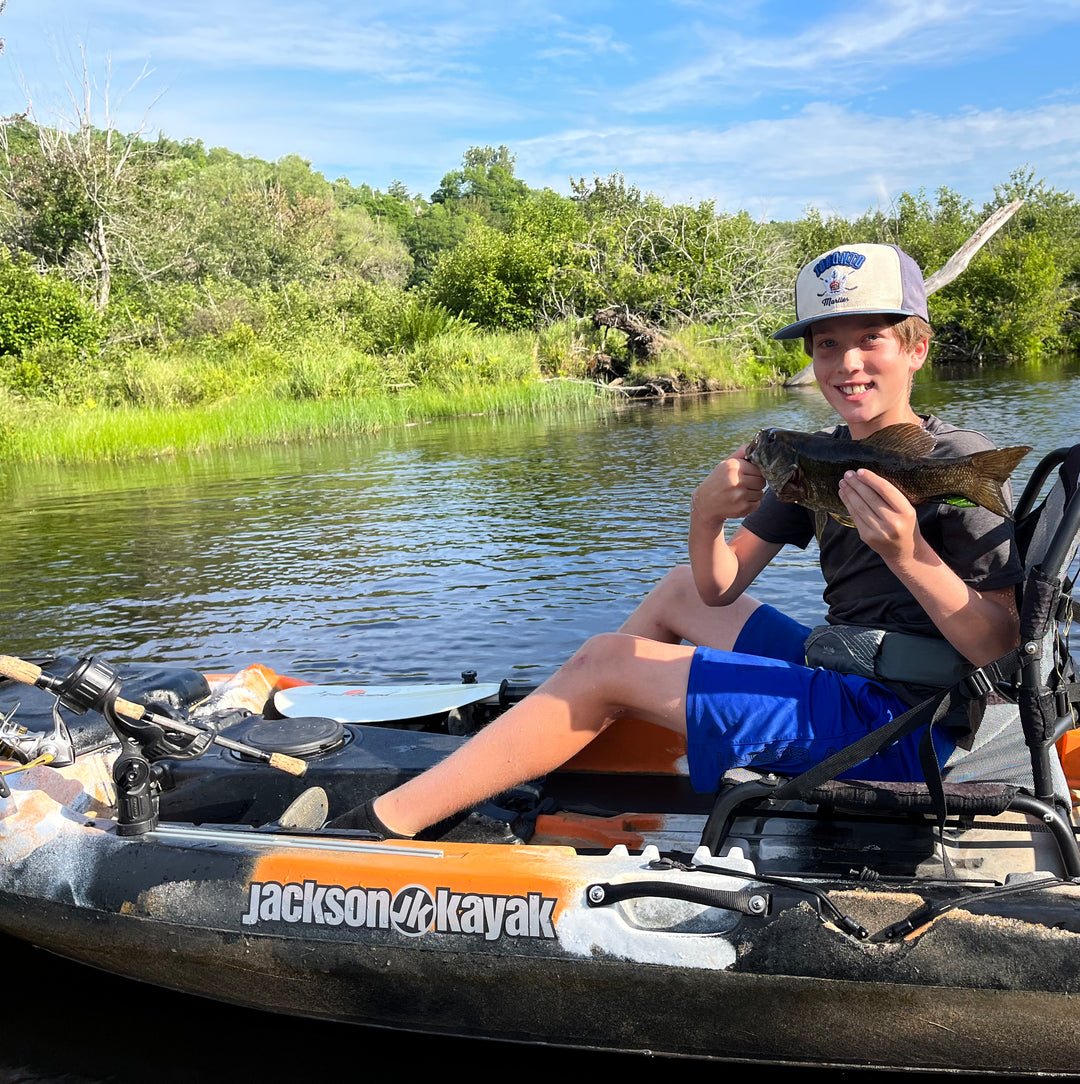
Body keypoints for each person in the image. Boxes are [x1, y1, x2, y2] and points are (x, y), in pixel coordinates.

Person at [310, 243, 1024, 840]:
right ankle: (590, 756)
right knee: (677, 591)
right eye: (827, 344)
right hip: (854, 680)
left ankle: (382, 826)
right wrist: (704, 516)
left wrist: (908, 555)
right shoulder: (819, 457)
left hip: (900, 732)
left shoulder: (953, 465)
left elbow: (999, 648)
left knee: (602, 661)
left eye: (871, 340)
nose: (847, 365)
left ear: (916, 350)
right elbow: (715, 588)